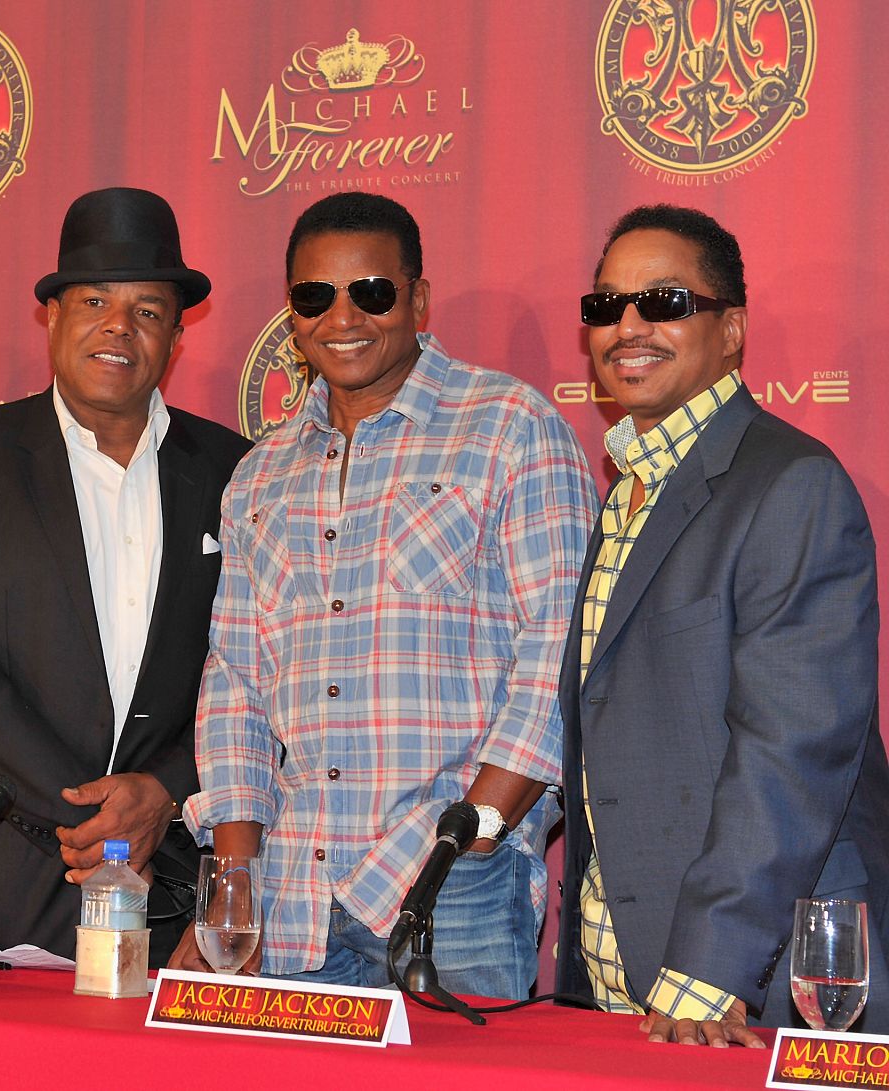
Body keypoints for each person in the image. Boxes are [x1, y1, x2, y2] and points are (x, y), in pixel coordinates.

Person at [177, 193, 596, 998]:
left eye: (371, 291)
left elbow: (559, 647)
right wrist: (234, 880)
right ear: (291, 313)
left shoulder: (508, 426)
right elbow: (234, 684)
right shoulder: (259, 474)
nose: (344, 316)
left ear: (419, 300)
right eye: (314, 296)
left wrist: (470, 835)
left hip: (453, 886)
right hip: (290, 894)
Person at [0, 188, 251, 961]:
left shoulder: (236, 470)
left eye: (149, 310)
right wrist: (97, 819)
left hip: (165, 872)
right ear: (52, 316)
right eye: (95, 300)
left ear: (177, 338)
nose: (120, 326)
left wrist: (163, 792)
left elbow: (250, 665)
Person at [555, 205, 889, 1043]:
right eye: (606, 306)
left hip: (747, 986)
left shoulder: (791, 485)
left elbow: (792, 748)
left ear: (731, 328)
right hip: (622, 978)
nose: (626, 327)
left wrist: (708, 969)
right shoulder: (630, 490)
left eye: (664, 302)